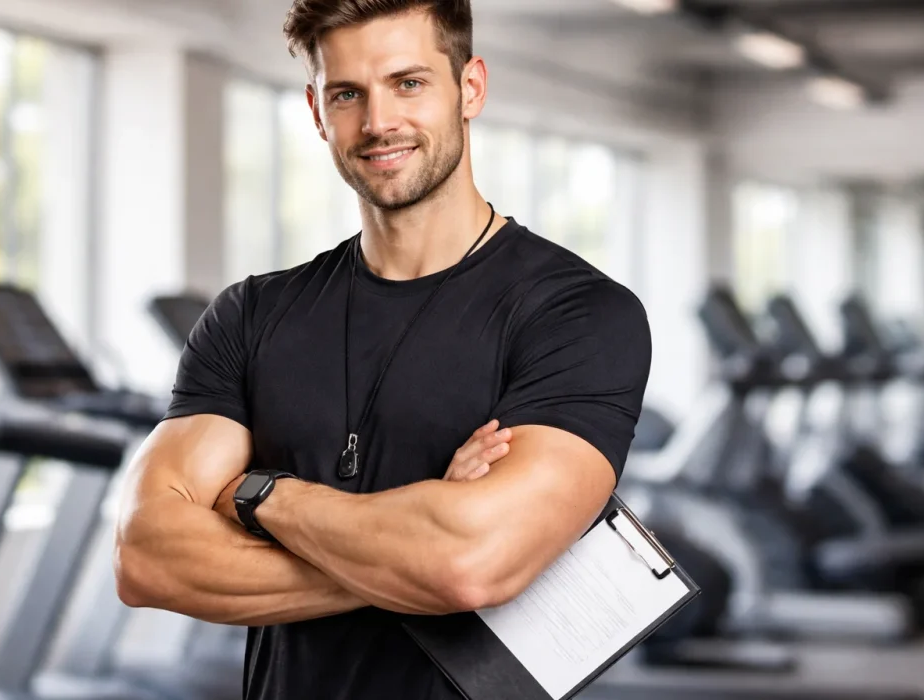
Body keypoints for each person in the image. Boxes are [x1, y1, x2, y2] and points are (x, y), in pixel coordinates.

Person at [113, 1, 652, 698]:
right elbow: (145, 557)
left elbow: (470, 564)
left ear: (470, 88)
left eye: (409, 83)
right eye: (347, 94)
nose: (377, 123)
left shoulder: (577, 314)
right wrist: (413, 549)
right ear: (316, 111)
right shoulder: (251, 315)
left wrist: (257, 495)